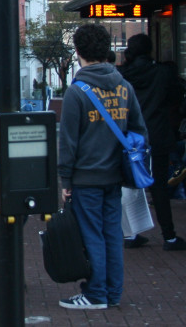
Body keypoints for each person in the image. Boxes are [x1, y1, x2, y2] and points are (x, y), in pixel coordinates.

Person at [57, 23, 147, 310]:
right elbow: (139, 132)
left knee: (91, 236)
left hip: (86, 178)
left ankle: (95, 294)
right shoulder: (124, 86)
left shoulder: (77, 91)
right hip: (115, 176)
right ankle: (112, 292)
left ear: (78, 51)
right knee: (112, 234)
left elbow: (68, 143)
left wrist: (65, 181)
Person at [119, 33, 186, 250]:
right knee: (159, 186)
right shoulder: (163, 73)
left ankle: (130, 234)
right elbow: (175, 98)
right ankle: (169, 236)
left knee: (127, 184)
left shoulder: (122, 75)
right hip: (156, 135)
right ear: (150, 50)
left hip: (129, 137)